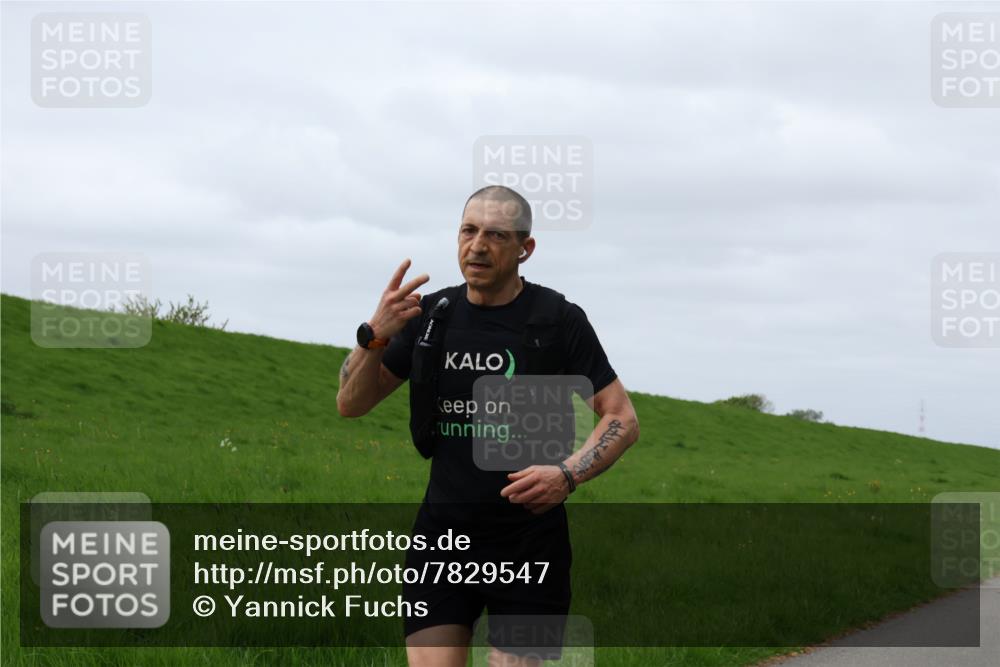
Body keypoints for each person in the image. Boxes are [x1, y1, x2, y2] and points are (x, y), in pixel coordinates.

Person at [337, 185, 640, 666]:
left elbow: (621, 417)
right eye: (468, 230)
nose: (477, 245)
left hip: (529, 543)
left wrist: (568, 474)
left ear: (526, 248)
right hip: (442, 540)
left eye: (496, 234)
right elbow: (351, 404)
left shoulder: (557, 320)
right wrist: (373, 337)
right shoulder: (431, 316)